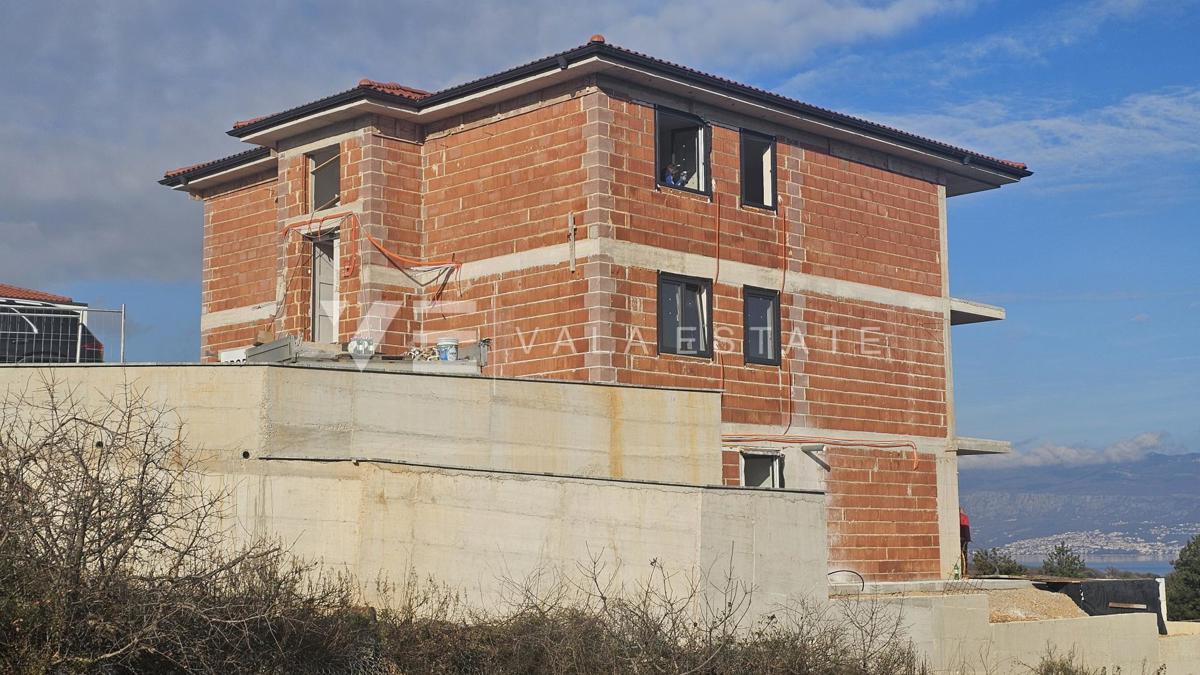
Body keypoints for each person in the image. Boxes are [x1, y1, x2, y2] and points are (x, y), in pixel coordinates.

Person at [960, 507, 972, 577]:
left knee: (961, 556)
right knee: (964, 555)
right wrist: (968, 539)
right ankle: (965, 571)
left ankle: (962, 571)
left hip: (960, 538)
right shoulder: (965, 517)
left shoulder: (958, 517)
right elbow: (966, 529)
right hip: (964, 539)